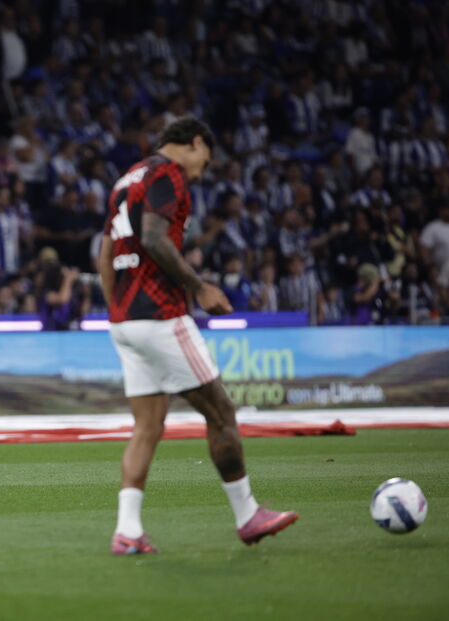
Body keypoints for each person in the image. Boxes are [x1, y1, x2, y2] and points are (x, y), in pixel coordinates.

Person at [97, 117, 298, 555]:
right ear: (195, 142)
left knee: (147, 426)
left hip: (125, 319)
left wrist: (115, 310)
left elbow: (107, 249)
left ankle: (127, 530)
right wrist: (199, 286)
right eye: (206, 156)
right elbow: (153, 236)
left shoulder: (125, 179)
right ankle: (248, 516)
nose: (204, 168)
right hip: (162, 315)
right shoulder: (168, 174)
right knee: (222, 411)